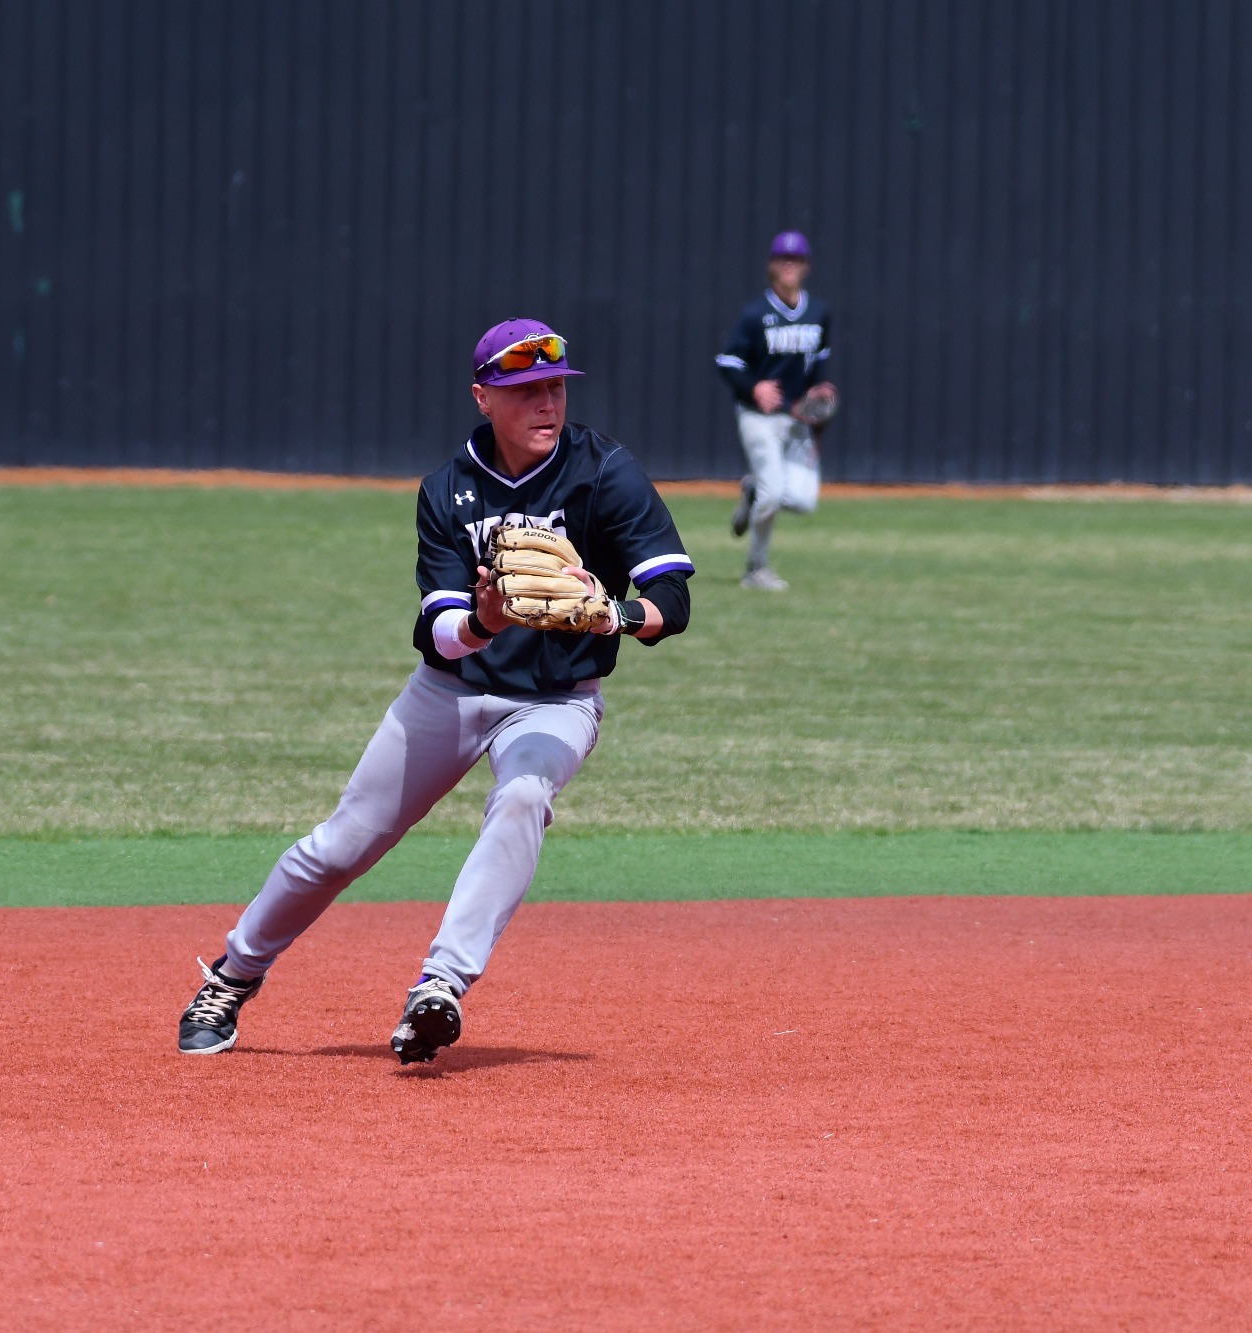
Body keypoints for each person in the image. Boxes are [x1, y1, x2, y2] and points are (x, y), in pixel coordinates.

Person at [178, 318, 694, 1064]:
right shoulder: (447, 492)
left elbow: (672, 598)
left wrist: (615, 613)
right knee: (339, 845)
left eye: (555, 387)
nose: (547, 404)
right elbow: (439, 632)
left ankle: (438, 986)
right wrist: (484, 619)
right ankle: (233, 973)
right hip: (451, 690)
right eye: (524, 391)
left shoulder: (603, 470)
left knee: (523, 796)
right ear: (483, 396)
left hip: (555, 700)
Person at [714, 230, 837, 591]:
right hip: (758, 416)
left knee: (802, 501)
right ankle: (756, 569)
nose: (789, 264)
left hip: (796, 418)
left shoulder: (818, 313)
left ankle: (752, 490)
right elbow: (726, 361)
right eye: (783, 258)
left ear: (806, 266)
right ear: (772, 265)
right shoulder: (756, 314)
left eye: (796, 258)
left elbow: (820, 361)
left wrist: (820, 386)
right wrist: (753, 386)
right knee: (774, 494)